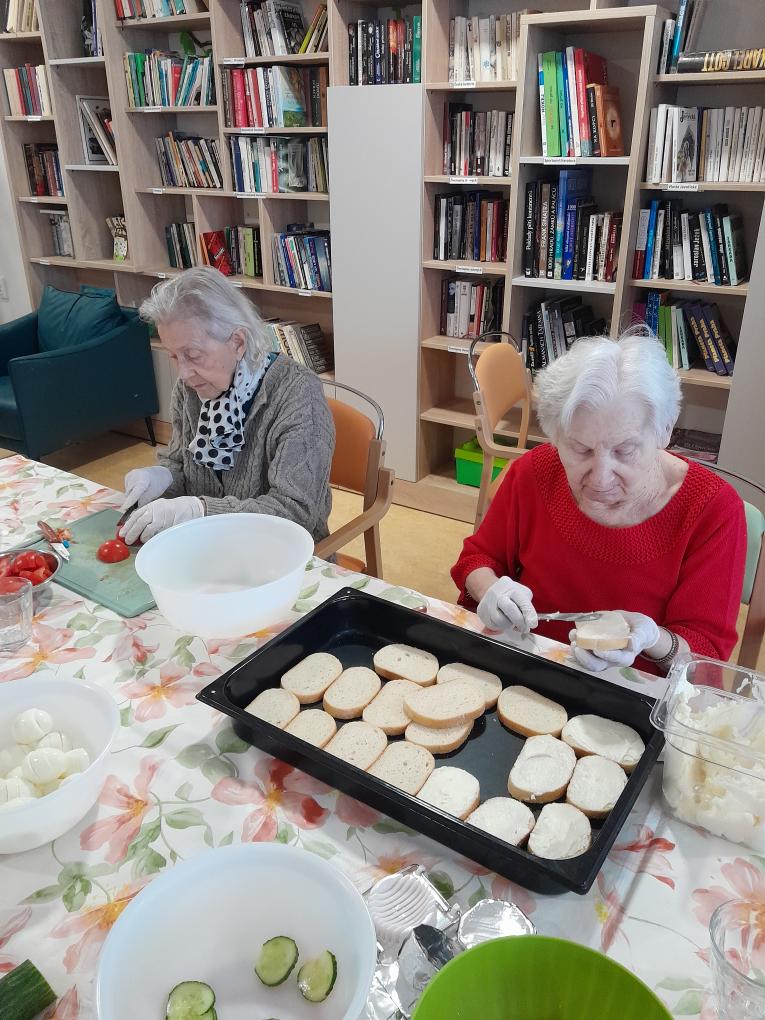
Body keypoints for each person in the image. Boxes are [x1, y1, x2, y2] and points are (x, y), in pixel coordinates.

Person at [451, 332, 747, 675]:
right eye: (581, 449)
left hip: (636, 689)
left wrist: (652, 641)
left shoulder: (713, 509)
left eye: (624, 450)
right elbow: (477, 559)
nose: (601, 477)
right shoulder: (534, 472)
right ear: (555, 435)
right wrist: (490, 589)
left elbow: (705, 653)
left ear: (665, 430)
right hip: (529, 666)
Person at [120, 267, 335, 544]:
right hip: (210, 542)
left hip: (280, 551)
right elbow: (180, 464)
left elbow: (295, 512)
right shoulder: (191, 388)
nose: (183, 373)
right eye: (174, 356)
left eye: (193, 355)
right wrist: (160, 478)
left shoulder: (298, 394)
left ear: (238, 342)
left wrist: (201, 510)